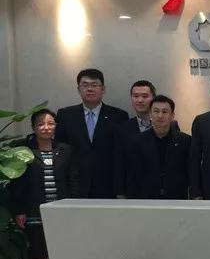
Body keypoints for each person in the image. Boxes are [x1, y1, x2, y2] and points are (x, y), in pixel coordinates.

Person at [11, 109, 79, 259]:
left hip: (60, 212)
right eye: (41, 124)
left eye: (50, 123)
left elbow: (73, 179)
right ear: (33, 127)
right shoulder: (24, 152)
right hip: (34, 212)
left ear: (56, 126)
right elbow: (18, 184)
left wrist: (73, 206)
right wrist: (19, 210)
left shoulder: (66, 150)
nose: (46, 127)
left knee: (59, 253)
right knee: (38, 254)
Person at [55, 68, 128, 198]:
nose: (90, 89)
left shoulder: (118, 116)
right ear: (78, 89)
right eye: (85, 85)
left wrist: (120, 189)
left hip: (108, 185)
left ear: (103, 89)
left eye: (94, 85)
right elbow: (60, 151)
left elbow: (121, 155)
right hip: (75, 185)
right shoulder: (65, 115)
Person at [125, 95, 191, 199]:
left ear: (172, 115)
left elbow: (190, 171)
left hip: (177, 198)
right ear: (150, 114)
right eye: (156, 111)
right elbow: (133, 175)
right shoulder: (137, 141)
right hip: (145, 198)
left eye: (165, 112)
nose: (160, 116)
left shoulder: (185, 141)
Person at [115, 80, 156, 198]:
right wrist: (120, 192)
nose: (140, 100)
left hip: (160, 193)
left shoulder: (167, 125)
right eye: (136, 96)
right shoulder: (122, 129)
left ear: (153, 98)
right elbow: (118, 163)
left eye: (145, 96)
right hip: (132, 192)